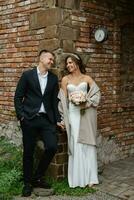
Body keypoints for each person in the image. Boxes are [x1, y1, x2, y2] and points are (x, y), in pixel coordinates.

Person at [14, 49, 64, 197]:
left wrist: (58, 120)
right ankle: (28, 183)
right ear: (41, 59)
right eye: (50, 59)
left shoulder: (53, 79)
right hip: (29, 119)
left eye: (52, 60)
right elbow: (18, 97)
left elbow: (54, 101)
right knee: (28, 151)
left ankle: (38, 176)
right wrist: (21, 116)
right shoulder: (27, 75)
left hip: (46, 120)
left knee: (52, 146)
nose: (52, 61)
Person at [58, 53, 101, 188]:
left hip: (86, 114)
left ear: (77, 63)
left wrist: (85, 101)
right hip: (73, 114)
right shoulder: (65, 79)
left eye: (71, 62)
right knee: (76, 142)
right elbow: (62, 101)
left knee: (87, 143)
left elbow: (97, 93)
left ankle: (91, 178)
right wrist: (63, 119)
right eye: (67, 63)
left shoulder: (87, 78)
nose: (68, 65)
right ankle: (77, 179)